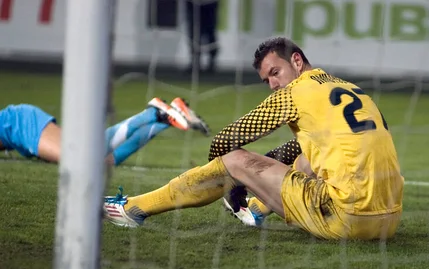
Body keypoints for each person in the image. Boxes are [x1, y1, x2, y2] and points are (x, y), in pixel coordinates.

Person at [103, 37, 404, 241]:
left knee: (233, 159)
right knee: (310, 155)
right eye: (267, 80)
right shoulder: (349, 89)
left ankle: (134, 208)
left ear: (297, 61)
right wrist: (271, 160)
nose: (273, 85)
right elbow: (310, 146)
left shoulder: (295, 92)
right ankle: (256, 209)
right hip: (387, 222)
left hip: (345, 217)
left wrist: (234, 183)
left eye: (276, 72)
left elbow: (224, 142)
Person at [0, 98, 210, 165]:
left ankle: (153, 114)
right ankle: (165, 118)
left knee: (81, 156)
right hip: (15, 132)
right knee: (103, 161)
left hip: (16, 125)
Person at [185, 0, 219, 73]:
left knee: (210, 30)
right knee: (194, 32)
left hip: (210, 3)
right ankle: (195, 62)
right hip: (193, 3)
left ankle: (212, 61)